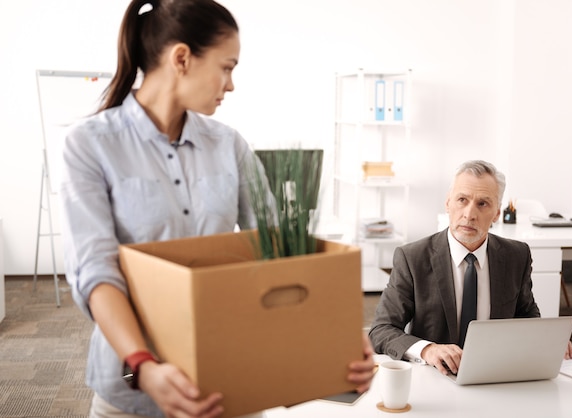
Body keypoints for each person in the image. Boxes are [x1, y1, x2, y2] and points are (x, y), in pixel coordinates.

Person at [59, 1, 374, 417]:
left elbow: (280, 252)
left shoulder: (229, 145)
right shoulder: (89, 144)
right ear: (182, 58)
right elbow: (96, 271)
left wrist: (339, 338)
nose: (231, 85)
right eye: (226, 67)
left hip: (229, 381)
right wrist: (145, 365)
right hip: (133, 389)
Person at [368, 160, 572, 376]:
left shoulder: (517, 256)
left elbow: (526, 315)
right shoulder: (412, 258)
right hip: (436, 377)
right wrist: (428, 350)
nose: (469, 214)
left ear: (496, 213)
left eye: (483, 204)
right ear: (448, 203)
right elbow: (381, 330)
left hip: (497, 374)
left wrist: (548, 340)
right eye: (462, 200)